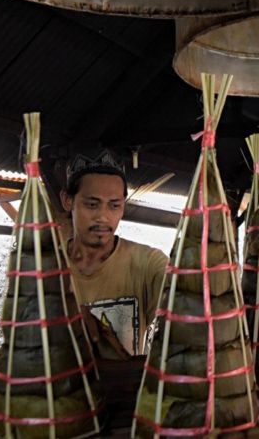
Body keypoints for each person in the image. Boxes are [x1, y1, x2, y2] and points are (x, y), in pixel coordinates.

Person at [60, 149, 169, 360]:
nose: (103, 217)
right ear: (68, 200)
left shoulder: (149, 264)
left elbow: (185, 307)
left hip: (126, 390)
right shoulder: (44, 269)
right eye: (92, 204)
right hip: (63, 391)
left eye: (114, 206)